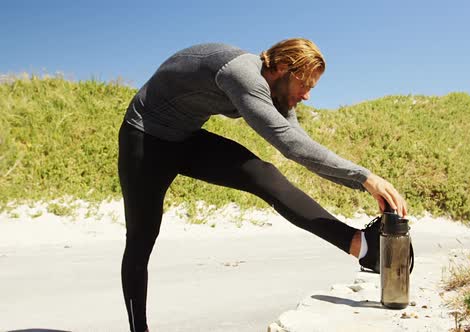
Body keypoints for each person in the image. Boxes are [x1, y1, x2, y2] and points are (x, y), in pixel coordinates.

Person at [118, 38, 408, 332]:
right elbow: (290, 145)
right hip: (144, 138)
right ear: (283, 68)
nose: (307, 96)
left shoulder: (277, 91)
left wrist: (364, 182)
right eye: (305, 85)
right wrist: (365, 177)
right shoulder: (242, 75)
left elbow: (303, 147)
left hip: (186, 137)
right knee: (141, 239)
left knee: (263, 175)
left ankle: (362, 247)